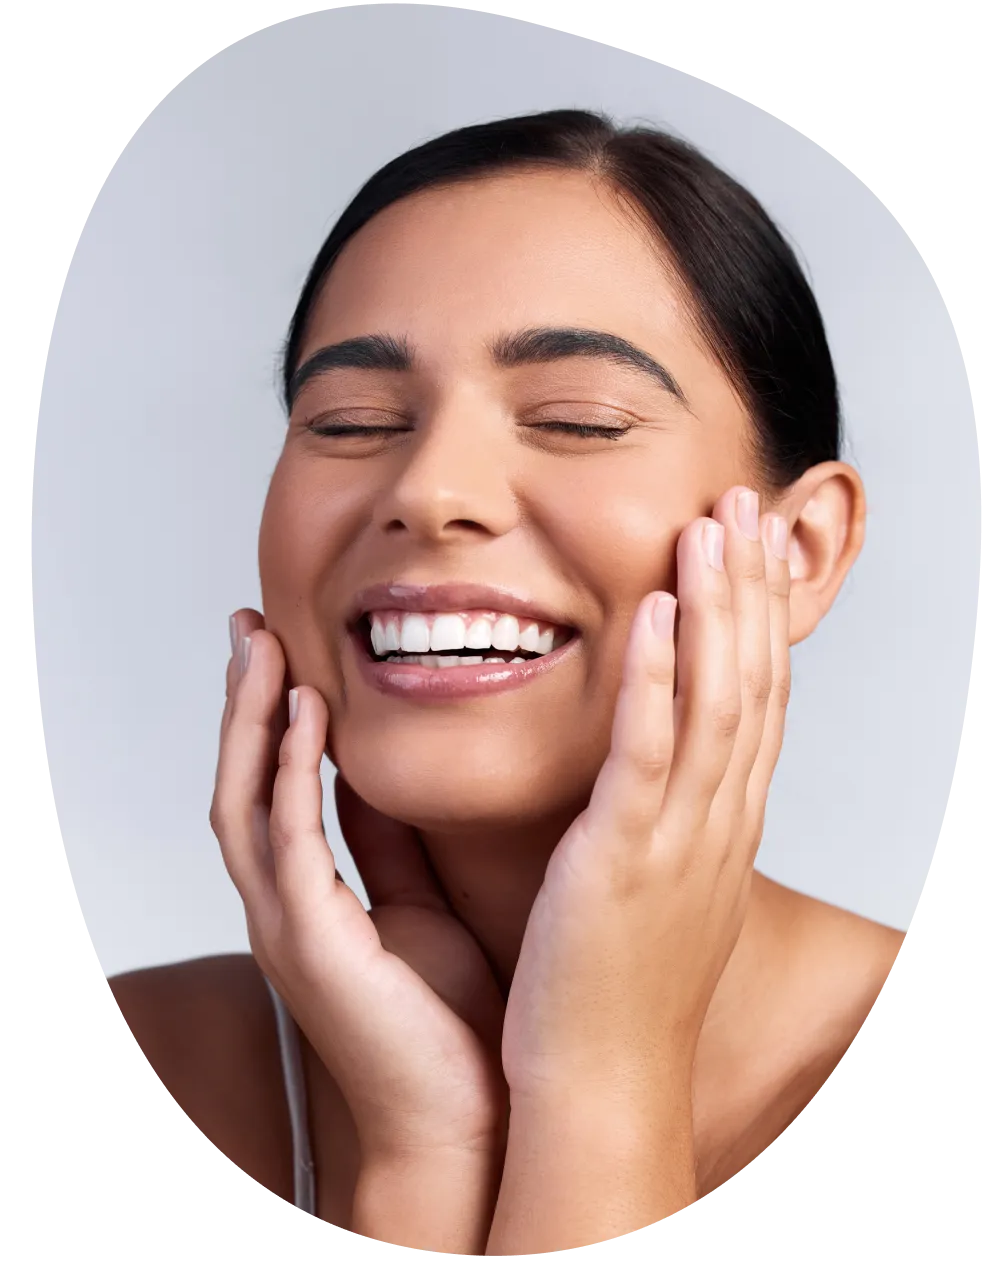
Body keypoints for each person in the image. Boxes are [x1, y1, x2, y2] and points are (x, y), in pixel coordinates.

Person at [107, 109, 906, 1255]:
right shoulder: (165, 1053)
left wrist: (601, 1080)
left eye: (576, 418)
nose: (429, 489)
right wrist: (422, 1160)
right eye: (352, 420)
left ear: (799, 551)